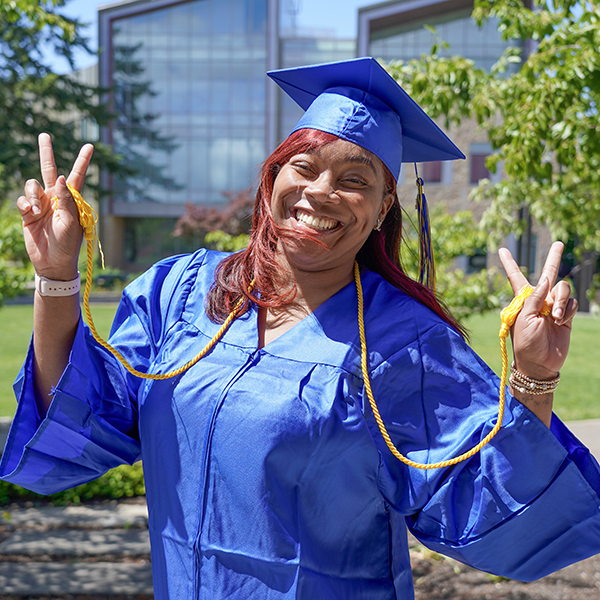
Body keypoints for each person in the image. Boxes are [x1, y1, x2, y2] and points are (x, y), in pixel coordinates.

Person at [1, 57, 599, 600]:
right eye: (304, 166)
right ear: (273, 177)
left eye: (355, 179)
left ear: (383, 208)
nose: (321, 191)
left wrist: (532, 377)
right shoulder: (183, 293)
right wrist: (57, 278)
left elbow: (491, 506)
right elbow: (82, 412)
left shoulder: (404, 343)